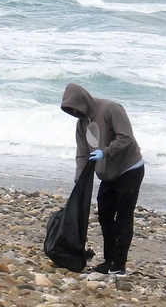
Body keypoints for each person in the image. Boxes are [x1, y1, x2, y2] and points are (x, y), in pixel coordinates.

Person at [60, 82, 144, 276]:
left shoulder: (111, 109)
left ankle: (119, 265)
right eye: (71, 110)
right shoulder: (82, 124)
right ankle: (109, 260)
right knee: (105, 215)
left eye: (76, 108)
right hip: (108, 174)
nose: (75, 112)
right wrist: (78, 178)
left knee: (123, 217)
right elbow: (82, 153)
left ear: (84, 100)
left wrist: (105, 153)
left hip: (129, 168)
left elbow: (126, 138)